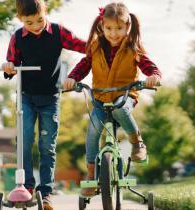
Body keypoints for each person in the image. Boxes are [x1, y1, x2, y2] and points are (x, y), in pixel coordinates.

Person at [63, 2, 161, 196]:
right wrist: (72, 78)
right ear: (102, 26)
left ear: (127, 27)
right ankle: (91, 177)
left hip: (125, 96)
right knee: (92, 132)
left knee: (119, 109)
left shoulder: (133, 47)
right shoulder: (95, 46)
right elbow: (84, 65)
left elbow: (148, 65)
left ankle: (137, 143)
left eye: (119, 28)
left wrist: (154, 76)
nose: (113, 33)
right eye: (109, 28)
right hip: (99, 97)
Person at [1, 0, 85, 208]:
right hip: (27, 97)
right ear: (20, 19)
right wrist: (8, 66)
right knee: (25, 141)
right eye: (29, 23)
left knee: (47, 146)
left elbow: (85, 46)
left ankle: (45, 192)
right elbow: (10, 63)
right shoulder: (18, 37)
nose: (36, 26)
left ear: (45, 12)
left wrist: (102, 44)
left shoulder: (58, 32)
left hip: (50, 98)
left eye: (39, 20)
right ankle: (26, 188)